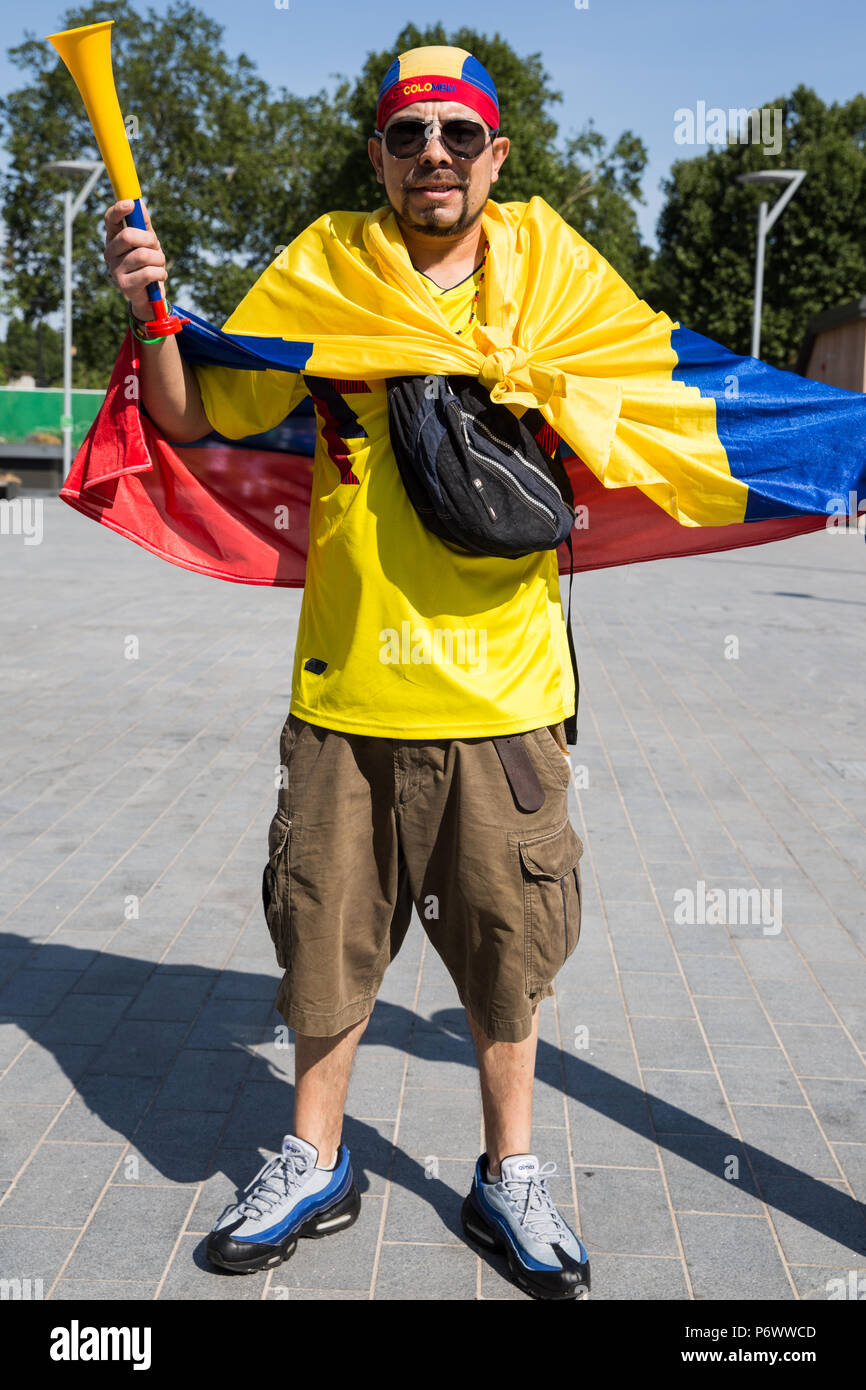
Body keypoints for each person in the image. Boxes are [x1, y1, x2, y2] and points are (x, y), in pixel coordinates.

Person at [103, 44, 590, 1301]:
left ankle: (510, 1171)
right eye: (408, 134)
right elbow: (194, 415)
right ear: (376, 155)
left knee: (504, 949)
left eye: (459, 135)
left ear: (497, 156)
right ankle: (312, 1158)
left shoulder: (555, 275)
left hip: (506, 692)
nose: (434, 153)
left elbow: (673, 400)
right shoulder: (324, 267)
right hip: (347, 687)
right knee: (322, 940)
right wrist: (152, 308)